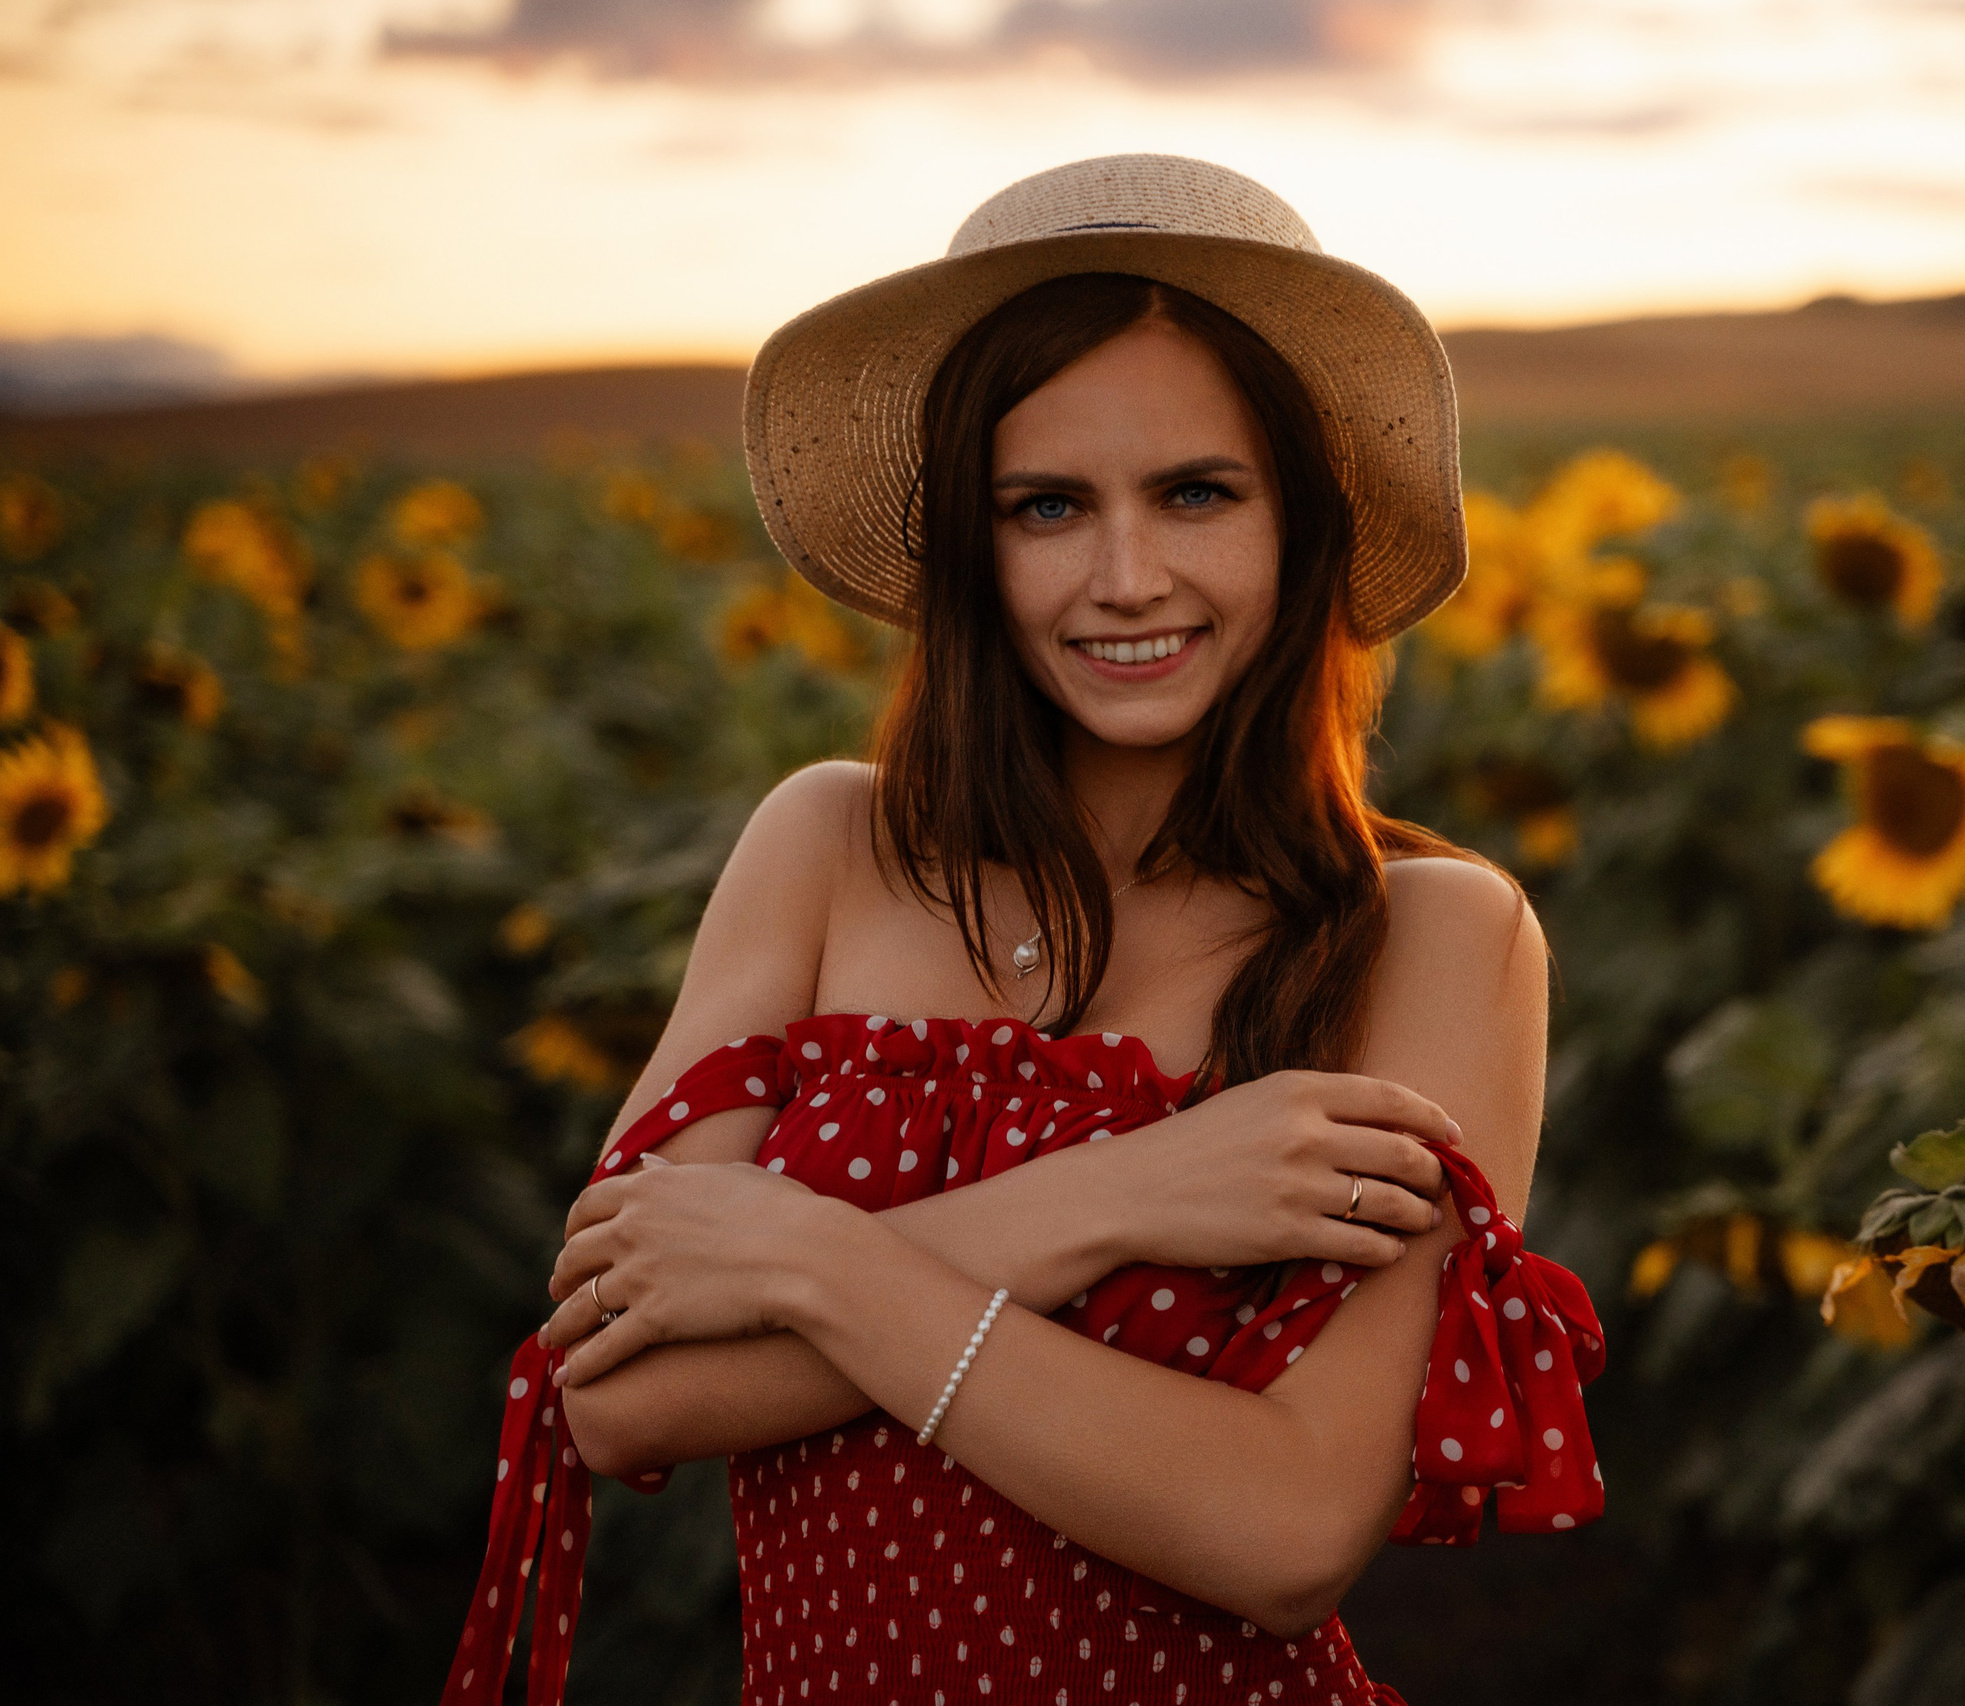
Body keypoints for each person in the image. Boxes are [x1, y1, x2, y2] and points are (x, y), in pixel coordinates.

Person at [441, 154, 1604, 1706]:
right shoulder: (828, 847)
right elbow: (620, 1392)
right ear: (972, 552)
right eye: (1048, 505)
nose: (1128, 578)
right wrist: (1126, 1191)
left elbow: (1284, 1526)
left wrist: (797, 1255)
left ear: (1300, 524)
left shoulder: (1434, 938)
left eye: (1197, 491)